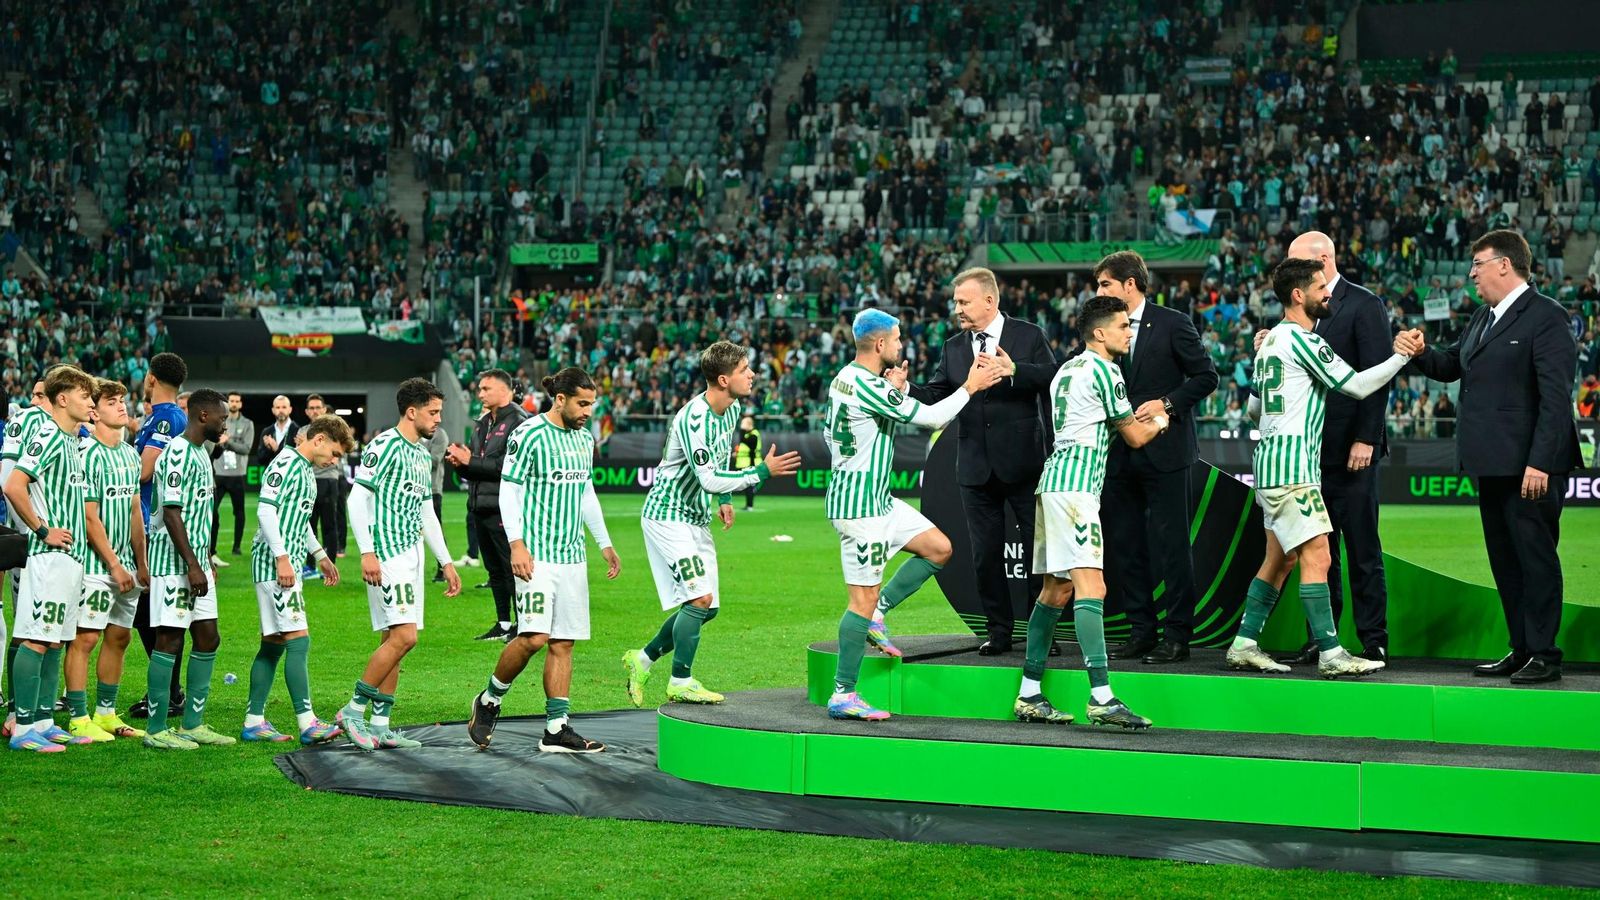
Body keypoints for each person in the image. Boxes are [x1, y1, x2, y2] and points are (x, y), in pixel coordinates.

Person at [1227, 259, 1417, 678]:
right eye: (1319, 287)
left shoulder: (1270, 342)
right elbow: (1358, 386)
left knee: (1279, 560)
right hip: (1294, 470)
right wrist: (1401, 357)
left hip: (1269, 464)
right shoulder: (1304, 341)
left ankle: (1243, 643)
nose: (1327, 292)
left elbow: (1255, 408)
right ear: (1299, 295)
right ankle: (1331, 653)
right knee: (1319, 555)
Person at [1408, 230, 1583, 683]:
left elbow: (1555, 399)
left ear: (1505, 264)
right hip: (1491, 465)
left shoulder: (1547, 316)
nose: (1471, 273)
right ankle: (1521, 647)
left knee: (1536, 559)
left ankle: (1545, 654)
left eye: (1478, 263)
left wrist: (1540, 462)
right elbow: (1452, 365)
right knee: (1506, 563)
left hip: (1530, 467)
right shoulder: (1482, 317)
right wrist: (1421, 353)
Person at [824, 309, 1005, 720]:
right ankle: (843, 693)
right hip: (860, 510)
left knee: (939, 548)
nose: (902, 344)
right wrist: (970, 386)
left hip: (878, 500)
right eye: (897, 339)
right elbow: (933, 418)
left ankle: (880, 614)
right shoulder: (868, 385)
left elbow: (832, 431)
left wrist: (894, 395)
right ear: (880, 344)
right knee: (860, 600)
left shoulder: (845, 378)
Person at [1010, 296, 1170, 730]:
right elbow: (1135, 436)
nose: (1129, 333)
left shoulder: (1066, 369)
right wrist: (1161, 418)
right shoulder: (1105, 371)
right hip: (1076, 492)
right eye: (1122, 326)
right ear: (1099, 333)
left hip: (1053, 485)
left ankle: (1029, 693)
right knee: (1091, 587)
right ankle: (1101, 697)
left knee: (1056, 591)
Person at [624, 342, 803, 707]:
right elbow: (707, 478)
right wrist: (760, 472)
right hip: (667, 515)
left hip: (695, 517)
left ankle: (641, 659)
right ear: (723, 379)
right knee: (699, 598)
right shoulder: (694, 419)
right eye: (744, 369)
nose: (752, 374)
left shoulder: (732, 408)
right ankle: (680, 681)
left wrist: (725, 500)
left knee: (709, 607)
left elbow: (719, 461)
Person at [467, 368, 621, 753]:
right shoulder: (529, 434)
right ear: (561, 399)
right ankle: (489, 699)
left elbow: (586, 492)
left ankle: (556, 728)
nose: (588, 412)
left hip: (572, 558)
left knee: (563, 643)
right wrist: (516, 544)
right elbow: (509, 490)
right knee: (534, 638)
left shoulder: (584, 439)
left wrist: (604, 543)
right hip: (536, 557)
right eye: (582, 404)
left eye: (592, 404)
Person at [906, 267, 1058, 655]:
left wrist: (1014, 370)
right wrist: (905, 387)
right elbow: (937, 393)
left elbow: (1053, 377)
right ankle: (999, 631)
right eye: (956, 301)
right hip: (975, 466)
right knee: (985, 554)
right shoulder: (954, 347)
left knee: (1038, 553)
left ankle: (1042, 634)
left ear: (989, 300)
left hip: (1026, 464)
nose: (957, 308)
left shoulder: (1028, 335)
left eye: (964, 301)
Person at [1090, 252, 1218, 665]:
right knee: (1126, 547)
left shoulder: (1173, 323)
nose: (1098, 292)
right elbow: (1077, 370)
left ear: (1130, 284)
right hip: (1118, 456)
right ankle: (1141, 632)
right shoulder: (1102, 328)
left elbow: (1206, 376)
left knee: (1172, 547)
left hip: (1166, 452)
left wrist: (1167, 403)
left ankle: (1178, 636)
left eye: (1106, 284)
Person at [1280, 232, 1395, 665]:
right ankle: (1322, 639)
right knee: (1317, 549)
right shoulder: (1297, 305)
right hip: (1310, 452)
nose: (1288, 269)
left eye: (1297, 261)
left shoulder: (1364, 304)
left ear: (1324, 259)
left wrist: (1367, 437)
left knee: (1363, 549)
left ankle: (1373, 639)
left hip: (1353, 449)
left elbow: (1378, 375)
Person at [338, 378, 462, 751]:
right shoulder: (384, 446)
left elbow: (427, 513)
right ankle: (352, 710)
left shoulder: (422, 455)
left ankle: (380, 725)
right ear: (411, 412)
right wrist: (367, 551)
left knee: (395, 641)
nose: (438, 419)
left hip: (412, 557)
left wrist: (446, 561)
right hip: (387, 556)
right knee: (406, 637)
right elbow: (356, 500)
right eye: (433, 412)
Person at [241, 413, 353, 744]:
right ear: (319, 440)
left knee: (273, 644)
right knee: (298, 639)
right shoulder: (285, 463)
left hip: (283, 562)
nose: (334, 460)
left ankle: (254, 721)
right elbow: (266, 511)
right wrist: (282, 558)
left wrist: (320, 555)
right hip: (274, 565)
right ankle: (307, 723)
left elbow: (298, 520)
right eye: (334, 453)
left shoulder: (304, 469)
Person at [3, 366, 97, 752]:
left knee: (55, 640)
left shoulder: (72, 440)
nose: (90, 402)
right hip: (48, 556)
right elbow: (13, 485)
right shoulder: (47, 434)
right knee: (37, 639)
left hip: (70, 558)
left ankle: (42, 720)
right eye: (84, 395)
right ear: (62, 398)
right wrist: (43, 530)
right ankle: (23, 727)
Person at [141, 389, 232, 749]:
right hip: (173, 564)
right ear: (203, 416)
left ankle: (192, 724)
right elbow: (172, 513)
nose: (225, 424)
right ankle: (156, 729)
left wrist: (204, 559)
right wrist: (193, 565)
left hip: (196, 563)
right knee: (170, 638)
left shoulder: (201, 453)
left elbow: (199, 514)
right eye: (222, 418)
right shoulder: (177, 452)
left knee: (208, 636)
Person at [65, 379, 149, 742]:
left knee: (119, 637)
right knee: (86, 638)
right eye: (112, 402)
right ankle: (77, 717)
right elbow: (89, 517)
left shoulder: (130, 454)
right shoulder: (87, 455)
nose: (121, 406)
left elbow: (135, 511)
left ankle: (105, 713)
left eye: (122, 401)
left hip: (127, 567)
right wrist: (114, 564)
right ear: (94, 413)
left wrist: (140, 562)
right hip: (96, 567)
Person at [445, 369, 528, 642]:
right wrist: (461, 465)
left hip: (505, 510)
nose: (480, 394)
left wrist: (471, 462)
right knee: (494, 570)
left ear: (505, 390)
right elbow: (477, 467)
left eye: (486, 389)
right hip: (480, 506)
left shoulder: (519, 422)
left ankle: (523, 624)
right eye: (480, 389)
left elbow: (508, 467)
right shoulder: (482, 423)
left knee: (511, 569)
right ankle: (503, 623)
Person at [129, 352, 188, 721]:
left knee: (153, 614)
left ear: (151, 378)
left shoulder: (167, 418)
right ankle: (167, 689)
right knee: (145, 613)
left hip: (155, 528)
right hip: (148, 524)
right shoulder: (159, 416)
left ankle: (169, 691)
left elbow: (144, 471)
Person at [1, 376, 53, 736]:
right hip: (33, 542)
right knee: (25, 625)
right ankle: (17, 713)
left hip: (57, 545)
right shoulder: (27, 421)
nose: (35, 401)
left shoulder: (73, 431)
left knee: (51, 629)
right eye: (34, 394)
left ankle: (40, 712)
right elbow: (9, 481)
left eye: (40, 394)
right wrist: (35, 530)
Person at [209, 391, 252, 568]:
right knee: (212, 512)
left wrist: (227, 442)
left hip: (237, 474)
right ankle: (211, 549)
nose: (234, 403)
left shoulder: (247, 424)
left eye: (236, 401)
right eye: (231, 400)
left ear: (240, 404)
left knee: (239, 511)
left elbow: (246, 449)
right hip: (219, 473)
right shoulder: (219, 421)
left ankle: (237, 547)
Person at [304, 395, 344, 576]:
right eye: (311, 408)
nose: (315, 411)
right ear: (307, 412)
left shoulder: (334, 430)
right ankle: (310, 566)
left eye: (318, 407)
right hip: (309, 481)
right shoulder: (303, 431)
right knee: (308, 525)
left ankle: (330, 566)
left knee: (329, 525)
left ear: (324, 409)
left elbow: (338, 455)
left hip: (328, 480)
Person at [257, 395, 298, 466]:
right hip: (271, 472)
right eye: (278, 407)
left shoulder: (298, 431)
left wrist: (276, 449)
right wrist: (268, 449)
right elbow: (260, 460)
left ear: (290, 409)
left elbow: (298, 459)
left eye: (284, 407)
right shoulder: (267, 432)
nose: (281, 410)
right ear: (273, 410)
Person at [732, 415, 762, 510]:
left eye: (743, 423)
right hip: (744, 463)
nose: (742, 425)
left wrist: (742, 429)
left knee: (749, 486)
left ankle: (749, 505)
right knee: (747, 486)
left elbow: (747, 443)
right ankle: (748, 505)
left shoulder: (754, 434)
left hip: (751, 463)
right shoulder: (748, 434)